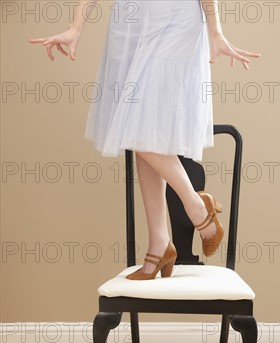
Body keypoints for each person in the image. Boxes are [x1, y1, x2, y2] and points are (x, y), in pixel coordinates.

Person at [29, 0, 260, 280]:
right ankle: (160, 241)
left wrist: (216, 31)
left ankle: (196, 208)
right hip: (129, 21)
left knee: (140, 124)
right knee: (143, 127)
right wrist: (76, 26)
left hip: (177, 17)